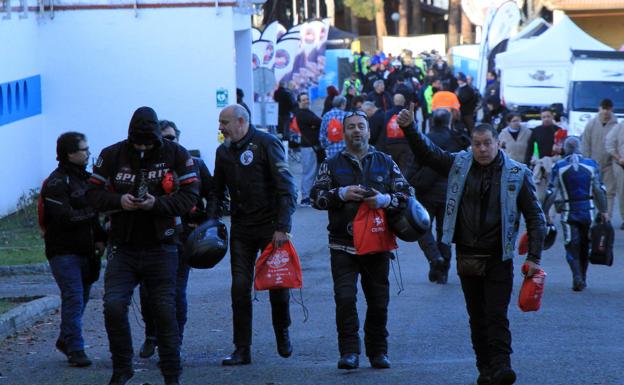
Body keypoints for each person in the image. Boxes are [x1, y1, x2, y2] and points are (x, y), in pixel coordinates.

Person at [397, 105, 546, 385]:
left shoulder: (517, 173)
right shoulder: (459, 163)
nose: (482, 149)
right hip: (467, 255)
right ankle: (485, 369)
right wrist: (410, 128)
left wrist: (534, 257)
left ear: (497, 143)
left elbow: (536, 218)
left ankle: (502, 366)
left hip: (499, 256)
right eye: (477, 144)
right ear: (472, 146)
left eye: (487, 143)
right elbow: (428, 154)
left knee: (496, 314)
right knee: (477, 316)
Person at [87, 107, 199, 385]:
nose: (142, 147)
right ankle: (122, 367)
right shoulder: (111, 154)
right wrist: (118, 202)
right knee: (113, 306)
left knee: (164, 310)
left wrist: (156, 204)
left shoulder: (177, 154)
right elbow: (90, 193)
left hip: (162, 246)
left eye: (147, 143)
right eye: (138, 143)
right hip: (123, 247)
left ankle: (172, 373)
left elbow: (190, 196)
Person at [311, 110, 413, 371]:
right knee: (345, 300)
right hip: (342, 245)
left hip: (377, 245)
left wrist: (385, 200)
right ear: (343, 133)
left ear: (368, 131)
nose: (356, 131)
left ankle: (378, 351)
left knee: (378, 302)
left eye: (361, 126)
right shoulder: (331, 163)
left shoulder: (386, 161)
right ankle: (349, 352)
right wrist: (341, 193)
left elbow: (405, 194)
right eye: (351, 127)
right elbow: (316, 197)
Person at [209, 104, 297, 366]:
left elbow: (287, 187)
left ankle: (282, 331)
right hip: (242, 229)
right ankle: (242, 348)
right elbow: (216, 190)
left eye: (224, 123)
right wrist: (211, 222)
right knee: (239, 287)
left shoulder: (266, 143)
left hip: (271, 229)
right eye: (220, 123)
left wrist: (283, 227)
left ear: (240, 121)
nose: (221, 128)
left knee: (277, 286)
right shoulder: (223, 152)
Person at [138, 120, 214, 358]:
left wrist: (206, 223)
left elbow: (212, 193)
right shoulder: (144, 167)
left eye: (172, 137)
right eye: (164, 138)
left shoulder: (195, 165)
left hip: (184, 238)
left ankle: (175, 341)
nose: (168, 142)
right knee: (147, 291)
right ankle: (152, 335)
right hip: (150, 237)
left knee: (176, 291)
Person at [41, 132, 106, 368]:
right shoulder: (57, 182)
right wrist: (95, 213)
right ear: (70, 153)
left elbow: (95, 217)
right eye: (84, 149)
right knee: (74, 297)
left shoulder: (88, 179)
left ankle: (66, 339)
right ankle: (76, 349)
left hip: (87, 251)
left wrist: (100, 238)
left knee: (81, 298)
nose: (88, 153)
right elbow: (63, 218)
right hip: (63, 251)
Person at [407, 109, 469, 284]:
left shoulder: (425, 138)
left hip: (426, 190)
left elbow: (414, 163)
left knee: (422, 228)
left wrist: (404, 182)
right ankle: (443, 271)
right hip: (451, 191)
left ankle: (435, 258)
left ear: (433, 120)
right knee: (445, 231)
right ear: (449, 121)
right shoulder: (458, 139)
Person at [543, 136, 608, 291]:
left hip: (568, 212)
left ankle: (576, 276)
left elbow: (551, 192)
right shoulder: (592, 165)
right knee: (586, 245)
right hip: (588, 211)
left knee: (572, 245)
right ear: (580, 148)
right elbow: (599, 189)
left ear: (565, 148)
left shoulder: (559, 167)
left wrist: (545, 212)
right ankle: (583, 278)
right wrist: (604, 210)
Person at [583, 98, 620, 225]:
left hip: (610, 164)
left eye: (608, 109)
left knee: (609, 192)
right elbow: (585, 144)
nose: (605, 112)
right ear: (599, 109)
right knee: (594, 191)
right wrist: (586, 162)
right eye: (603, 108)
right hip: (593, 164)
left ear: (611, 110)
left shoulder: (617, 125)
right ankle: (595, 216)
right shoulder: (591, 124)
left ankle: (607, 218)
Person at [293, 92, 323, 207]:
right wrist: (315, 125)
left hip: (310, 147)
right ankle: (305, 198)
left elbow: (317, 123)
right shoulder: (302, 114)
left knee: (312, 172)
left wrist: (315, 125)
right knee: (309, 173)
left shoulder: (306, 112)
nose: (306, 101)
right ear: (299, 102)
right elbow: (319, 122)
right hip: (308, 148)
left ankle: (309, 196)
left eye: (307, 99)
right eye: (303, 100)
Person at [381, 94, 414, 174]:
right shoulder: (408, 113)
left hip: (390, 145)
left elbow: (384, 130)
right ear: (404, 102)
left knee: (391, 168)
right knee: (404, 170)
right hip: (405, 145)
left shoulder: (387, 113)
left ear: (394, 102)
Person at [604, 117, 624, 229]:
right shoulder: (619, 127)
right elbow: (609, 144)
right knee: (623, 193)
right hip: (622, 165)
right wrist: (618, 157)